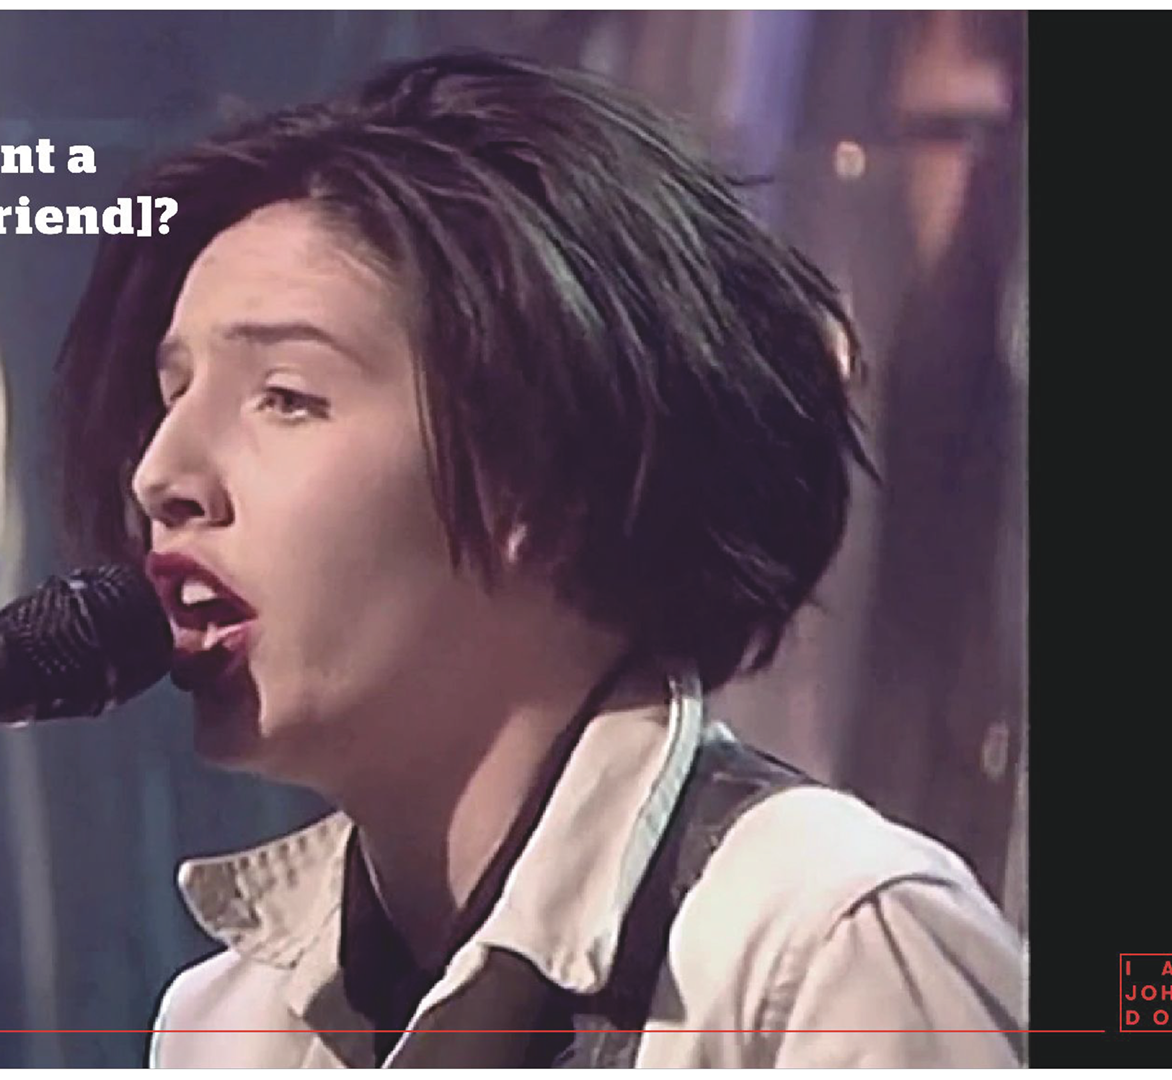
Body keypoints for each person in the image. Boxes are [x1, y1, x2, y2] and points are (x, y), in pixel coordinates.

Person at [51, 50, 1024, 1068]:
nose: (160, 475)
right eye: (172, 395)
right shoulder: (227, 1025)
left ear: (549, 474)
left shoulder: (823, 947)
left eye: (286, 397)